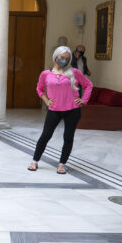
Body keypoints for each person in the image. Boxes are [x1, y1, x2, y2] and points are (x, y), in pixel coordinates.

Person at [28, 46, 93, 174]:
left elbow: (88, 84)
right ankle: (34, 161)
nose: (64, 60)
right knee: (45, 135)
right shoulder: (45, 74)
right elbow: (39, 89)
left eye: (67, 58)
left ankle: (62, 164)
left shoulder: (74, 72)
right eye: (62, 57)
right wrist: (46, 101)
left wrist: (84, 100)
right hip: (54, 109)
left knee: (68, 137)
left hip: (73, 110)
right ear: (55, 57)